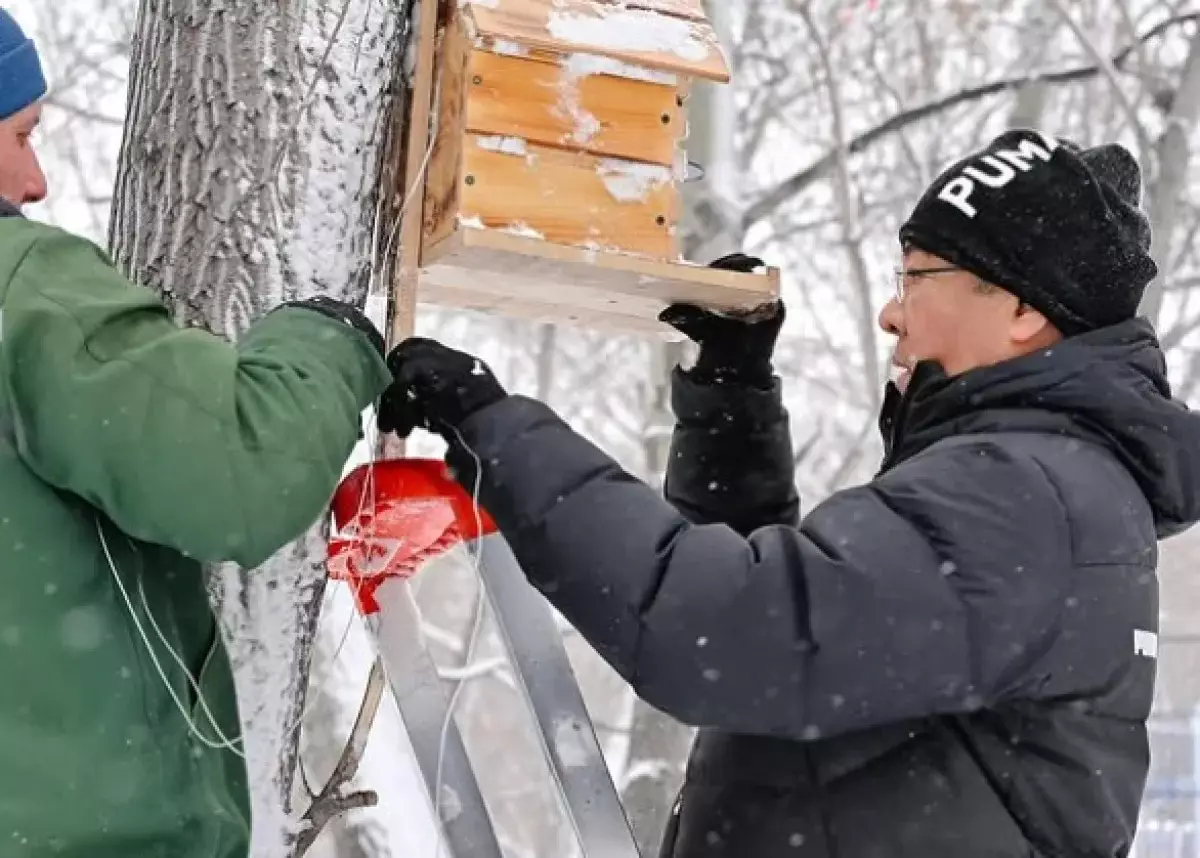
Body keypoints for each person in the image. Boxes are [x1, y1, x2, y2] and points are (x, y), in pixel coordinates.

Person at [377, 128, 1200, 857]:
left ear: (1022, 309)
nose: (890, 310)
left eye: (917, 275)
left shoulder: (1024, 497)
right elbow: (800, 640)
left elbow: (730, 630)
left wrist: (497, 429)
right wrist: (732, 400)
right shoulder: (1046, 486)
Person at [0, 8, 392, 857]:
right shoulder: (22, 292)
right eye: (21, 135)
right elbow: (242, 473)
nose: (33, 182)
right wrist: (329, 339)